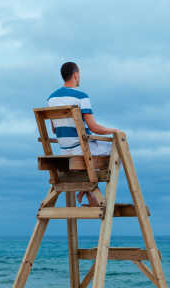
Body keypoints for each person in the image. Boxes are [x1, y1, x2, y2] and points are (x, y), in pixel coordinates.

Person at [47, 61, 118, 206]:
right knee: (118, 149)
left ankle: (88, 193)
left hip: (64, 152)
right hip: (82, 150)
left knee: (95, 154)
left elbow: (54, 129)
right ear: (75, 75)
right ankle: (90, 190)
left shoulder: (51, 99)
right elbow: (94, 127)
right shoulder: (81, 97)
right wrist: (115, 131)